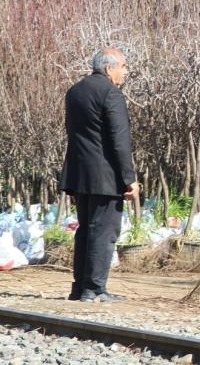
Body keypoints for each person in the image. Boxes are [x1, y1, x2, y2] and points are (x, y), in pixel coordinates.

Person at [61, 48, 139, 302]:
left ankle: (80, 287)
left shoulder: (75, 91)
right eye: (123, 66)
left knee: (86, 230)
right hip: (105, 176)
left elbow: (73, 133)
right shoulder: (110, 93)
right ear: (108, 68)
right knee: (104, 231)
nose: (126, 71)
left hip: (80, 173)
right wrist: (129, 178)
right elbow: (120, 140)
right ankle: (94, 289)